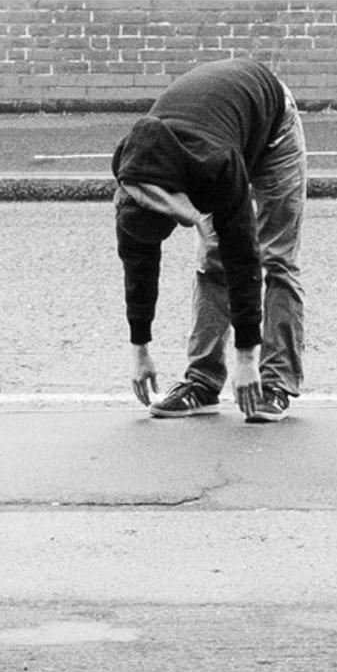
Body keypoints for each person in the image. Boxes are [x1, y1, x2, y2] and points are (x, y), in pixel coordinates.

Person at [111, 56, 307, 420]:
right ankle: (202, 381)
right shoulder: (132, 177)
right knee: (211, 256)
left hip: (273, 127)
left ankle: (275, 381)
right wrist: (139, 349)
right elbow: (139, 267)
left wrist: (246, 358)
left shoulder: (214, 165)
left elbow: (243, 255)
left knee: (275, 257)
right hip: (219, 123)